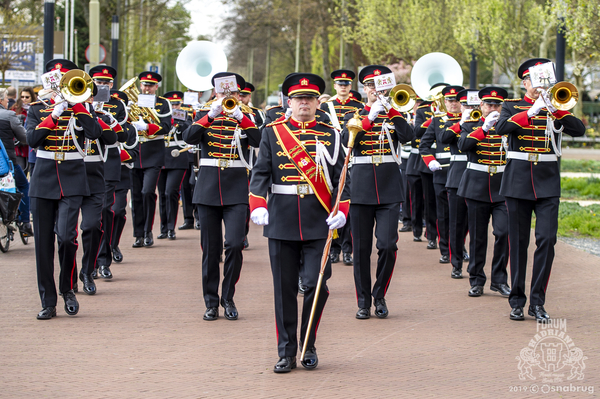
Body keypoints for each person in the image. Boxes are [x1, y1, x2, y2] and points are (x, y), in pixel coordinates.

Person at [249, 72, 350, 372]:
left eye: (309, 99)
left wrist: (342, 208)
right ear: (288, 103)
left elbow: (342, 178)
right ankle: (286, 351)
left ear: (318, 103)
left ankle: (308, 343)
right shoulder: (272, 132)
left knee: (317, 285)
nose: (303, 103)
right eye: (298, 99)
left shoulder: (332, 134)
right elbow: (261, 173)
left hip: (319, 220)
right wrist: (257, 203)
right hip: (281, 218)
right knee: (283, 290)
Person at [495, 58, 585, 322]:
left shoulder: (556, 104)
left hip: (547, 183)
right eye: (535, 82)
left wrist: (554, 109)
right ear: (525, 83)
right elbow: (501, 128)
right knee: (518, 243)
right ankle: (517, 300)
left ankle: (537, 302)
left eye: (545, 82)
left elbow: (578, 130)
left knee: (547, 240)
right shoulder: (510, 106)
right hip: (517, 181)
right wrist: (532, 111)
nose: (540, 87)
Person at [26, 59, 102, 319]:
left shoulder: (82, 107)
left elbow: (94, 133)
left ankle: (67, 287)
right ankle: (48, 300)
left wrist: (78, 106)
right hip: (44, 178)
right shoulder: (37, 110)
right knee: (43, 245)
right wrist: (55, 113)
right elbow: (32, 140)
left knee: (67, 237)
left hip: (72, 177)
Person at [183, 72, 260, 321]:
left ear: (239, 94)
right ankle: (211, 301)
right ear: (215, 93)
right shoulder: (203, 114)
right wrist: (211, 114)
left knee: (236, 244)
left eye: (234, 93)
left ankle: (228, 297)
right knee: (210, 249)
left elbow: (259, 141)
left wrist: (241, 117)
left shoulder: (249, 116)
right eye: (223, 93)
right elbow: (189, 137)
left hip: (236, 187)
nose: (229, 97)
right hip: (207, 188)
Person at [342, 65, 414, 319]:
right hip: (361, 189)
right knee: (361, 249)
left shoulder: (395, 114)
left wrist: (391, 110)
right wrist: (369, 117)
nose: (375, 91)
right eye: (371, 86)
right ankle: (363, 301)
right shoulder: (355, 115)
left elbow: (409, 136)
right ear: (364, 90)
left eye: (380, 86)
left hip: (388, 190)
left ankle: (379, 294)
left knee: (387, 245)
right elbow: (345, 141)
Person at [457, 87, 511, 298]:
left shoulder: (507, 126)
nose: (493, 108)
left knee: (504, 232)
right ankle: (476, 279)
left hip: (502, 187)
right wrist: (484, 129)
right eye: (489, 104)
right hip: (477, 186)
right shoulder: (470, 124)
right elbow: (463, 145)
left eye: (497, 105)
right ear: (481, 106)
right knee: (478, 237)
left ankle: (499, 280)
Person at [88, 66, 135, 282]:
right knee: (90, 218)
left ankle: (103, 260)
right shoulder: (80, 102)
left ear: (111, 85)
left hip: (108, 160)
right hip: (86, 162)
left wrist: (105, 115)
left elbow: (122, 135)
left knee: (106, 210)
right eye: (98, 82)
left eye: (105, 83)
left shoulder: (118, 106)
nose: (101, 86)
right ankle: (89, 262)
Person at [77, 84, 118, 294]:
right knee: (65, 234)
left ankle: (88, 270)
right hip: (70, 175)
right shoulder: (67, 113)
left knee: (92, 226)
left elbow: (112, 139)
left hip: (94, 177)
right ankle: (70, 274)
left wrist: (97, 117)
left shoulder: (100, 116)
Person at [321, 69, 363, 266]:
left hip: (351, 158)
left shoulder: (359, 107)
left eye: (347, 84)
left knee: (349, 204)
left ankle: (348, 249)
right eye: (340, 84)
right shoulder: (325, 106)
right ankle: (334, 247)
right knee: (333, 202)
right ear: (335, 86)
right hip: (331, 159)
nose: (344, 87)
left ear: (350, 87)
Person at [419, 85, 464, 264]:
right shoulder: (437, 120)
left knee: (463, 216)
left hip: (463, 173)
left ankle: (460, 247)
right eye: (450, 100)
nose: (453, 104)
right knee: (444, 214)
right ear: (444, 102)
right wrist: (430, 161)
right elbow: (424, 144)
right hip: (442, 172)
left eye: (456, 100)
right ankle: (446, 249)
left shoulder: (470, 119)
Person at [130, 71, 172, 248]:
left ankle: (148, 231)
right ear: (140, 85)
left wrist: (147, 126)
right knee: (135, 194)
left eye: (150, 85)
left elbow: (166, 127)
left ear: (156, 87)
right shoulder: (131, 102)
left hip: (153, 151)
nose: (146, 88)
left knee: (147, 192)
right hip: (135, 151)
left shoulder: (163, 103)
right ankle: (138, 234)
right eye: (144, 85)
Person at [441, 88, 474, 279]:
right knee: (456, 223)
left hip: (477, 175)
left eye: (473, 105)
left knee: (474, 224)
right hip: (457, 176)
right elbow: (444, 138)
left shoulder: (484, 121)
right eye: (466, 105)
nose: (470, 108)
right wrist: (462, 122)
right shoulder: (452, 122)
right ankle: (456, 263)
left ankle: (474, 265)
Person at [107, 90, 138, 265]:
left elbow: (133, 154)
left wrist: (115, 153)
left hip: (120, 174)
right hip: (101, 174)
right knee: (103, 214)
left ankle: (114, 244)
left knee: (118, 211)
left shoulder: (129, 128)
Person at [157, 91, 191, 240]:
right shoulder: (159, 115)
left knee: (171, 192)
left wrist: (182, 123)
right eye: (172, 104)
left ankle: (171, 228)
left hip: (177, 157)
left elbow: (190, 132)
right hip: (161, 156)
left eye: (177, 104)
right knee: (162, 193)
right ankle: (163, 228)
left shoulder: (185, 116)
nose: (175, 106)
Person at [0, 88, 33, 237]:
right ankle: (25, 222)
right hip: (7, 164)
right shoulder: (9, 115)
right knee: (23, 185)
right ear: (1, 100)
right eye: (6, 99)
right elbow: (25, 137)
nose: (8, 101)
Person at [11, 87, 36, 172]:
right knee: (21, 171)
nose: (24, 99)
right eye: (22, 97)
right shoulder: (15, 109)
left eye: (27, 97)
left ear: (32, 97)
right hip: (19, 147)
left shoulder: (36, 108)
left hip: (32, 146)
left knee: (32, 171)